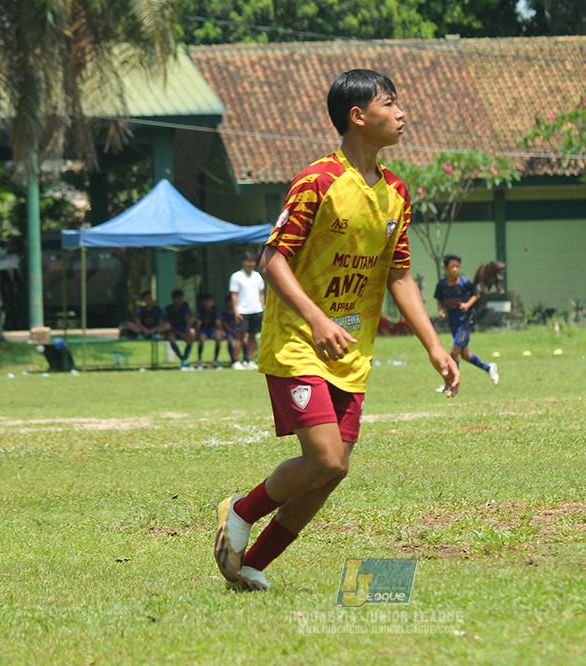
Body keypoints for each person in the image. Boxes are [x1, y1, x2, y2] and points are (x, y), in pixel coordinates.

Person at [213, 69, 460, 593]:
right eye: (390, 104)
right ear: (358, 116)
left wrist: (435, 345)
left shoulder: (396, 193)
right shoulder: (319, 181)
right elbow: (272, 260)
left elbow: (399, 275)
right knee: (323, 456)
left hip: (350, 352)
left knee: (336, 468)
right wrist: (317, 318)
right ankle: (239, 511)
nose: (401, 113)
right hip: (300, 342)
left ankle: (252, 564)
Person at [435, 254, 499, 386]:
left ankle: (452, 381)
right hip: (453, 321)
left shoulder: (465, 283)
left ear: (460, 267)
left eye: (457, 266)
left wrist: (467, 305)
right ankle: (489, 367)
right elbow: (439, 300)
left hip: (466, 321)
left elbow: (476, 294)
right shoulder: (442, 285)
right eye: (452, 266)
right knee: (465, 355)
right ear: (445, 268)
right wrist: (441, 311)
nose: (454, 269)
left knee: (454, 351)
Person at [229, 252, 266, 369]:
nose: (251, 264)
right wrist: (236, 311)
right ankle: (236, 361)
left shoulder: (257, 276)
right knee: (240, 337)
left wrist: (262, 307)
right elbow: (234, 295)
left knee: (252, 336)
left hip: (256, 310)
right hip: (242, 311)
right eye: (249, 261)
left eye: (253, 262)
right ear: (243, 262)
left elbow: (261, 294)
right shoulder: (236, 276)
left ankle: (250, 361)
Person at [163, 288, 195, 367]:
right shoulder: (168, 309)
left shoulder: (185, 306)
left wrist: (188, 331)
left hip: (183, 329)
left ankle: (185, 358)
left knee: (191, 337)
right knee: (171, 337)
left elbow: (187, 319)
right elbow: (169, 325)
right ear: (174, 299)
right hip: (173, 330)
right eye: (179, 299)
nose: (181, 301)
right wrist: (180, 333)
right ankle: (182, 358)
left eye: (182, 299)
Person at [195, 293, 225, 369]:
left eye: (211, 302)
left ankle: (215, 360)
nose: (209, 303)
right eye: (207, 301)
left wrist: (221, 330)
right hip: (203, 329)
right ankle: (199, 359)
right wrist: (196, 333)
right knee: (201, 340)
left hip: (211, 329)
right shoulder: (201, 309)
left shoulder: (214, 309)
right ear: (204, 302)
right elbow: (199, 322)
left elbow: (218, 321)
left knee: (218, 338)